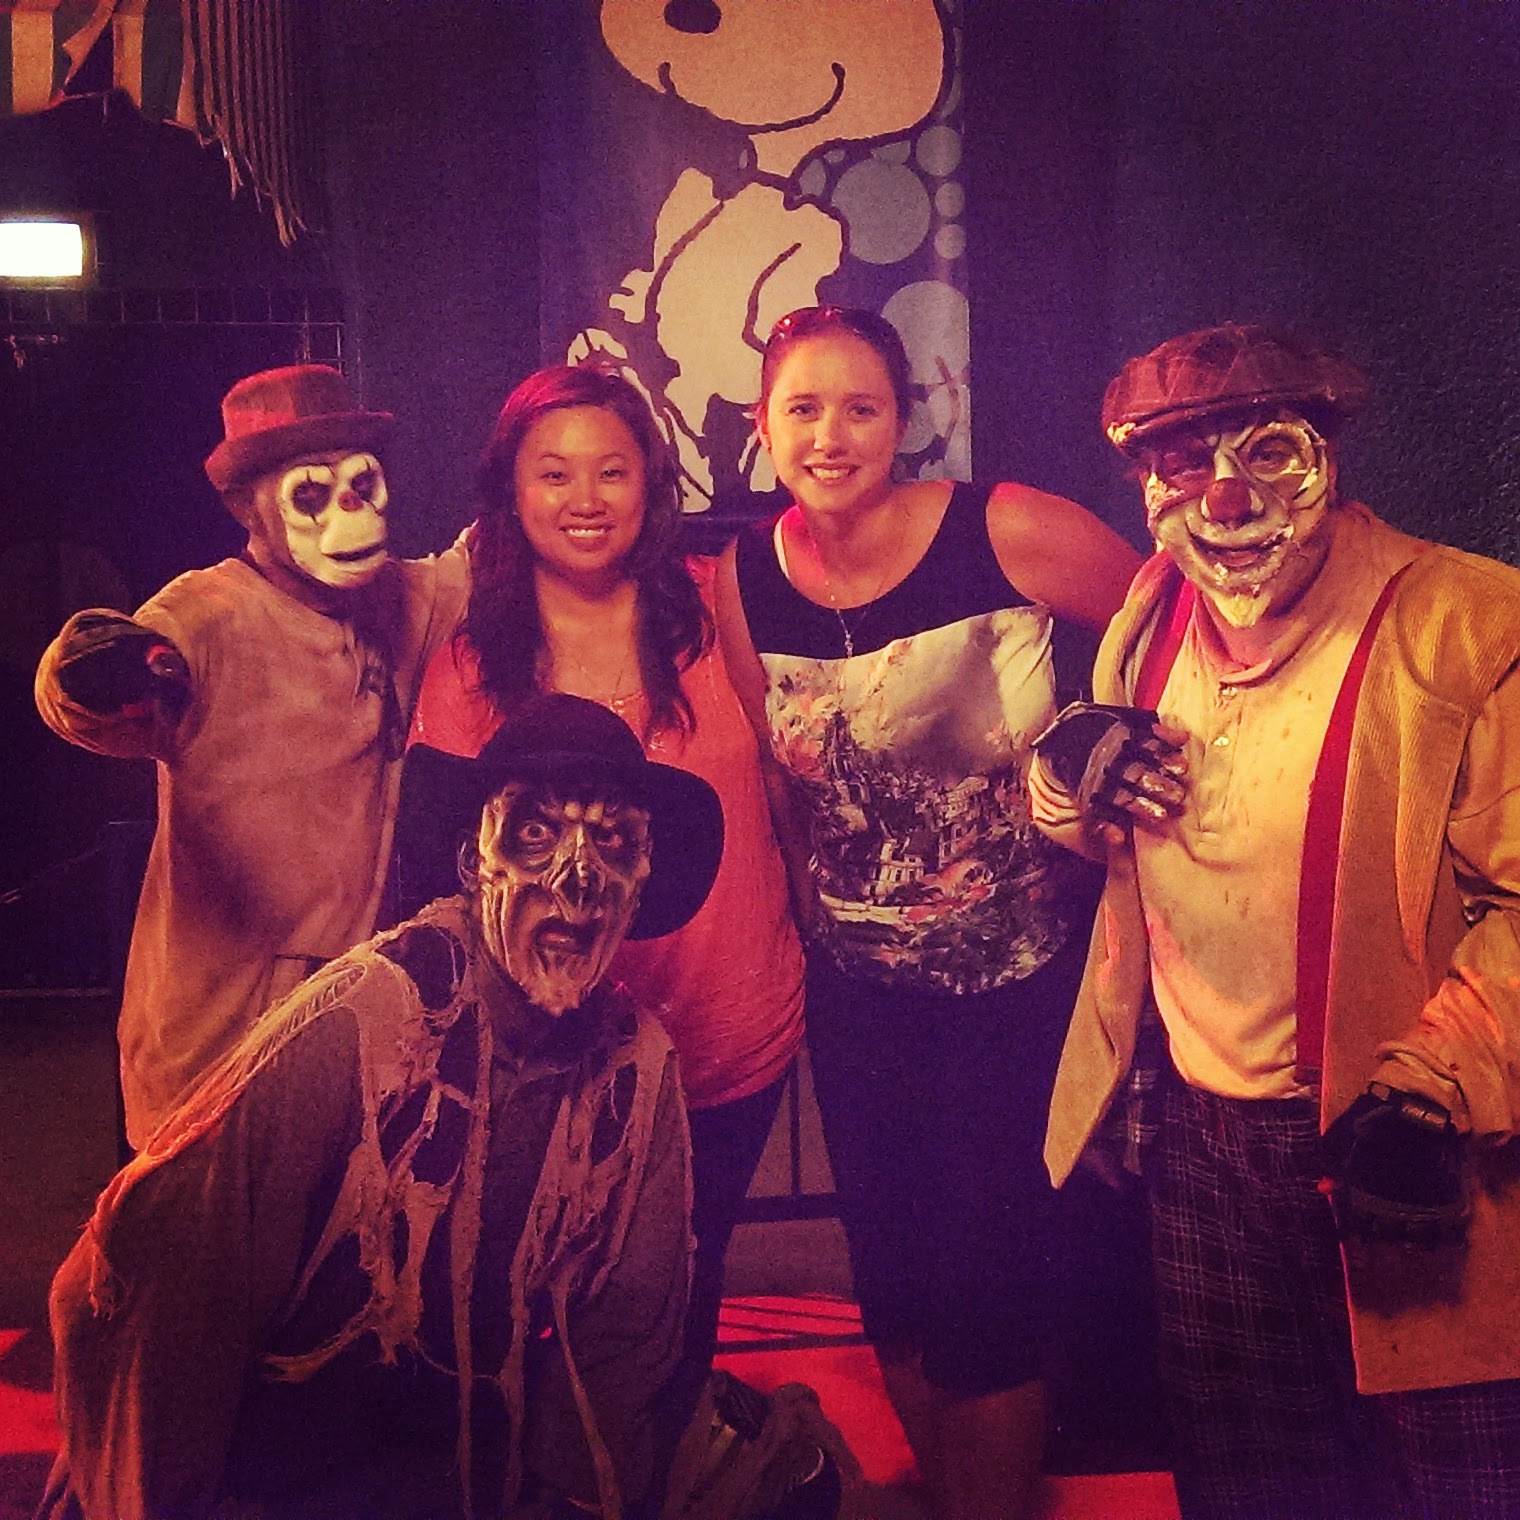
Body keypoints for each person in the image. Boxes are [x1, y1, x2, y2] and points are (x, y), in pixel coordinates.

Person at [1031, 322, 1520, 1519]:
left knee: (1451, 1477)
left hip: (1395, 1140)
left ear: (1329, 458)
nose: (1225, 495)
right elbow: (1107, 837)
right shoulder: (1151, 607)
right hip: (1199, 1141)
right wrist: (1064, 771)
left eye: (1266, 453)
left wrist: (1432, 1090)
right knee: (1252, 1474)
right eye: (1182, 461)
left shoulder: (1468, 623)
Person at [41, 693, 728, 1519]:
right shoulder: (370, 1023)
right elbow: (168, 1284)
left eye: (612, 841)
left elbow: (624, 1345)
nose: (577, 880)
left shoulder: (635, 1071)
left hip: (448, 1472)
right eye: (537, 833)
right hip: (263, 1465)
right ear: (474, 861)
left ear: (641, 881)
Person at [716, 305, 1142, 1520]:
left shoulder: (1001, 529)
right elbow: (775, 782)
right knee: (894, 1282)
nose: (830, 434)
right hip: (859, 1003)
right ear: (762, 427)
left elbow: (1170, 624)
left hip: (1017, 990)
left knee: (987, 1293)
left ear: (902, 418)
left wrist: (1117, 772)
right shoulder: (743, 580)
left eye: (859, 407)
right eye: (802, 409)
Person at [392, 363, 806, 1364]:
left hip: (729, 1032)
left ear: (649, 484)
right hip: (549, 1058)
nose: (585, 498)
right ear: (511, 490)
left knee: (678, 1292)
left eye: (611, 471)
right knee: (538, 1302)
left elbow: (793, 774)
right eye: (554, 473)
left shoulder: (719, 607)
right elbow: (444, 876)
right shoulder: (471, 663)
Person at [33, 364, 468, 1148]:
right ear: (247, 506)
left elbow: (478, 568)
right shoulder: (209, 613)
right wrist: (94, 671)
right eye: (311, 493)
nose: (349, 512)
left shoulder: (400, 598)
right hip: (211, 1036)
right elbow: (97, 694)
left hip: (341, 1028)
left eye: (361, 484)